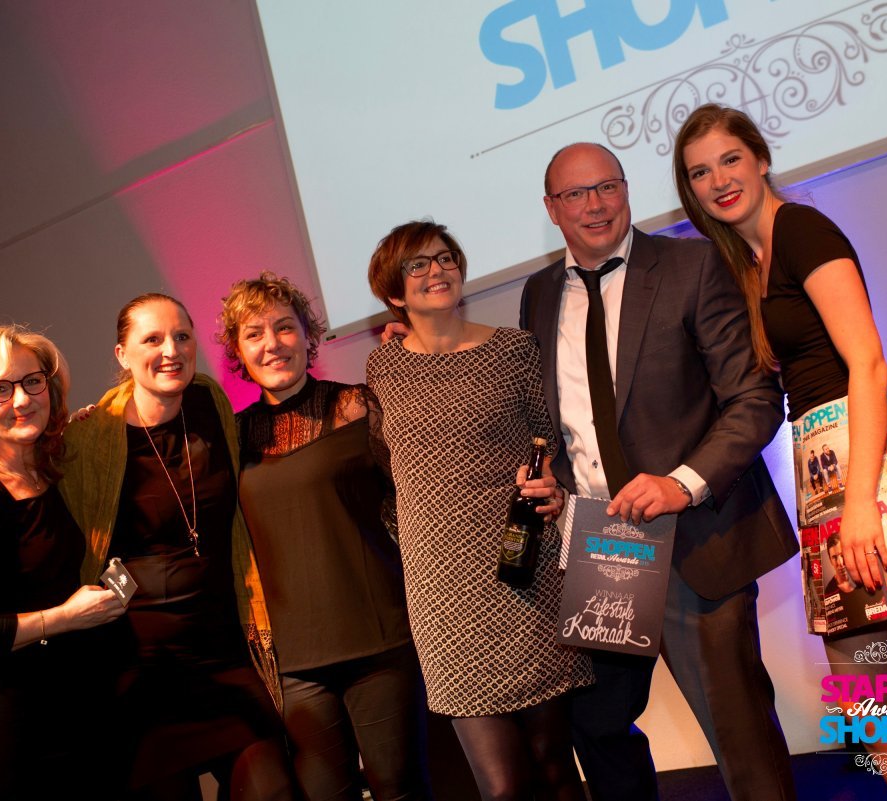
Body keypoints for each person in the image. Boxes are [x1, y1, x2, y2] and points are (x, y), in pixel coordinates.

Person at [674, 102, 887, 801]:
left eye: (730, 160)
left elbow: (866, 362)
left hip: (874, 469)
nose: (719, 180)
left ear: (761, 159)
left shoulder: (802, 229)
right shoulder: (749, 260)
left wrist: (861, 503)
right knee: (866, 695)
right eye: (700, 172)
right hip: (825, 472)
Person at [522, 142, 798, 801]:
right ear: (552, 209)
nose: (595, 205)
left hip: (693, 540)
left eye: (607, 187)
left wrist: (681, 483)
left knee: (736, 731)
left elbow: (755, 398)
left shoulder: (690, 266)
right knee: (596, 725)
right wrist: (552, 481)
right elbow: (560, 414)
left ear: (626, 190)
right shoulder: (539, 293)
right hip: (599, 546)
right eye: (576, 194)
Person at [366, 220, 593, 801]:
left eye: (445, 258)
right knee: (502, 787)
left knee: (553, 764)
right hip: (442, 595)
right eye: (418, 264)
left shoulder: (513, 350)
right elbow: (389, 473)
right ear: (393, 291)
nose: (437, 270)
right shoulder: (383, 369)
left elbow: (551, 443)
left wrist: (553, 491)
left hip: (521, 574)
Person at [59, 293, 297, 800]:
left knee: (274, 788)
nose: (171, 350)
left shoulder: (208, 402)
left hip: (223, 653)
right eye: (152, 339)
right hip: (140, 671)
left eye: (182, 336)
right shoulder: (88, 439)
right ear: (122, 354)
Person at [218, 273, 429, 801]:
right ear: (238, 353)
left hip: (380, 640)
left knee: (399, 790)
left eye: (284, 327)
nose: (272, 344)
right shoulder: (232, 440)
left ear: (308, 336)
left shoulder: (358, 406)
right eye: (254, 334)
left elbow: (422, 494)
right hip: (294, 664)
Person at [0, 325, 127, 801]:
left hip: (44, 707)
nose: (21, 400)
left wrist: (88, 430)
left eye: (32, 381)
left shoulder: (43, 470)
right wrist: (65, 618)